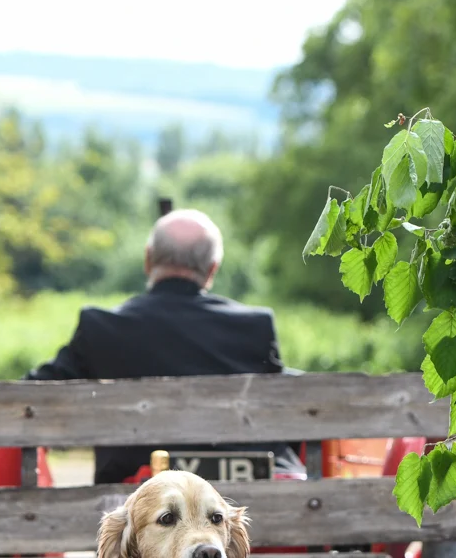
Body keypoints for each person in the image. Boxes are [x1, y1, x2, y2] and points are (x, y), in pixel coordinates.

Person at [26, 207, 300, 484]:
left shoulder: (101, 327)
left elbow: (29, 396)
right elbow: (288, 404)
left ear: (148, 259)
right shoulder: (254, 327)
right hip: (248, 493)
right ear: (212, 269)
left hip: (134, 495)